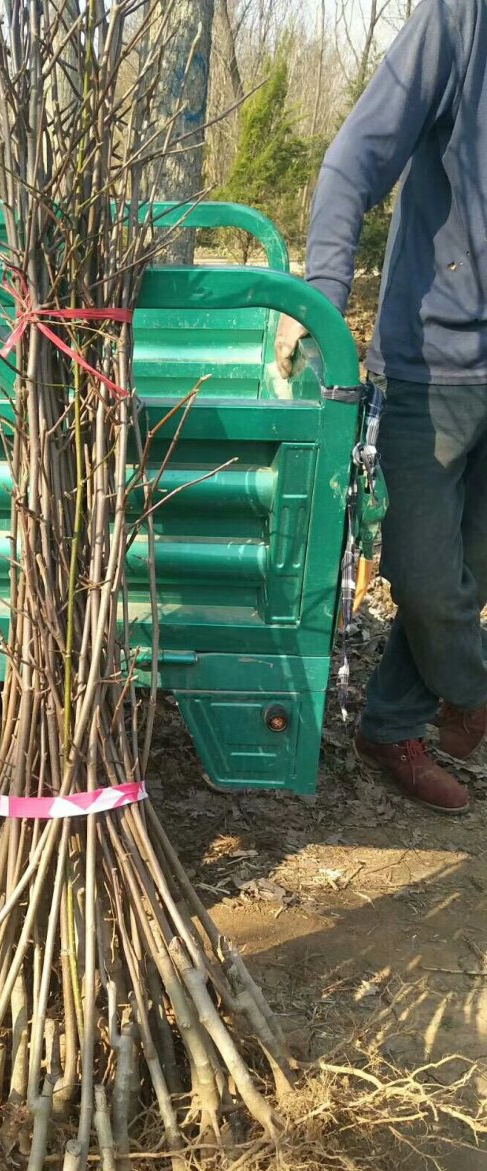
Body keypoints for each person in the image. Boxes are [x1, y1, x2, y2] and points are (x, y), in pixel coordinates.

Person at [276, 0, 487, 814]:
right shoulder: (460, 20)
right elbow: (353, 161)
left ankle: (391, 723)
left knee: (471, 573)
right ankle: (470, 692)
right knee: (431, 581)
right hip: (428, 366)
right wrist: (324, 301)